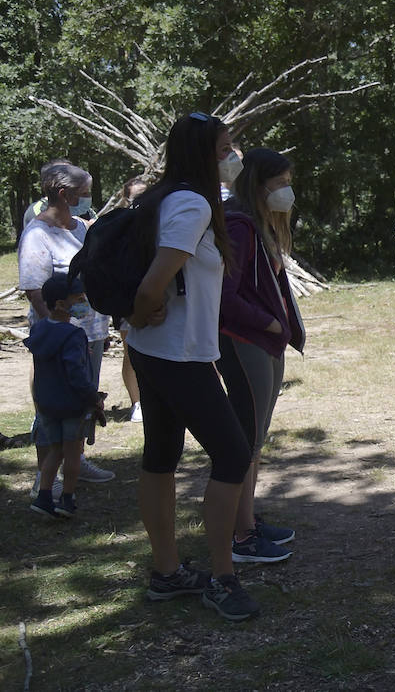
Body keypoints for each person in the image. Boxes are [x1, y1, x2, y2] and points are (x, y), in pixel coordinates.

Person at [126, 111, 257, 621]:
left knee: (161, 455)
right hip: (178, 354)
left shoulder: (163, 197)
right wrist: (140, 310)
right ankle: (222, 578)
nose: (232, 157)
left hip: (156, 349)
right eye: (225, 148)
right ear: (202, 154)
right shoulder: (191, 203)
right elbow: (152, 285)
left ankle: (167, 573)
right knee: (232, 454)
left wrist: (140, 322)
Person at [218, 148, 306, 565]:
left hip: (265, 344)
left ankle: (248, 521)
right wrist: (270, 324)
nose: (287, 191)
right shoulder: (238, 226)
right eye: (282, 183)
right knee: (246, 440)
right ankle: (240, 537)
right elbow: (225, 298)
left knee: (256, 438)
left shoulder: (259, 225)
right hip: (245, 342)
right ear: (259, 184)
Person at [18, 162, 115, 496]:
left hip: (90, 332)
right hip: (59, 339)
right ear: (63, 194)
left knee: (80, 401)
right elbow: (34, 290)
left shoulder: (81, 229)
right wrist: (57, 333)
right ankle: (45, 478)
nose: (87, 199)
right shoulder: (37, 234)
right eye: (83, 194)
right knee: (53, 405)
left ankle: (78, 461)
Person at [26, 274, 105, 518]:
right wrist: (94, 398)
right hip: (71, 406)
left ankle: (44, 496)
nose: (84, 303)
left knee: (54, 451)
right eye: (79, 299)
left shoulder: (38, 330)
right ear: (61, 304)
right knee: (72, 454)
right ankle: (67, 499)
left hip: (47, 405)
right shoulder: (73, 335)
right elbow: (77, 375)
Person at [117, 175, 152, 423]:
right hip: (126, 297)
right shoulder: (118, 226)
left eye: (145, 195)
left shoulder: (160, 221)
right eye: (135, 197)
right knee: (131, 351)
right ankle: (137, 402)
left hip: (157, 295)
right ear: (126, 199)